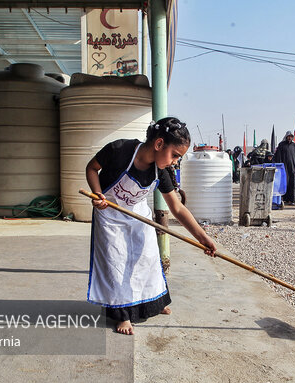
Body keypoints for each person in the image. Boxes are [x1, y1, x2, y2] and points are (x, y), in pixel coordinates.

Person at [86, 117, 217, 335]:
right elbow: (91, 168)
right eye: (175, 155)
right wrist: (97, 194)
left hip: (137, 213)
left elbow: (177, 208)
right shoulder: (119, 150)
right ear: (158, 144)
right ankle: (123, 314)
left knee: (146, 258)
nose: (175, 161)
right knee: (117, 262)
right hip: (109, 214)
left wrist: (202, 238)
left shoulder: (160, 170)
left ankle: (153, 303)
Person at [273, 131, 295, 205]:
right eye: (288, 136)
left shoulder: (294, 146)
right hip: (284, 168)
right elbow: (278, 156)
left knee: (292, 183)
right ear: (286, 137)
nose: (290, 138)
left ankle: (292, 200)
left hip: (293, 167)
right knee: (285, 183)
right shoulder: (281, 145)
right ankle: (285, 199)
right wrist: (278, 167)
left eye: (291, 136)